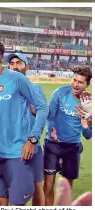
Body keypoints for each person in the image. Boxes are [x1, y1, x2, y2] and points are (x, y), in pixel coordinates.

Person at [0, 35, 49, 206]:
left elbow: (42, 107)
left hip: (19, 154)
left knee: (17, 203)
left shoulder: (16, 79)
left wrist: (33, 139)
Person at [43, 66, 92, 206]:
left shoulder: (90, 104)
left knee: (67, 188)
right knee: (48, 186)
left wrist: (85, 122)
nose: (76, 84)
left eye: (80, 82)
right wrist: (52, 130)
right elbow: (50, 115)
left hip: (72, 148)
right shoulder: (60, 93)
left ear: (87, 84)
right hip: (52, 144)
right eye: (74, 80)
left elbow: (88, 135)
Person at [7, 53, 46, 206]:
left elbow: (42, 113)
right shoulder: (5, 91)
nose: (15, 66)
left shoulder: (36, 88)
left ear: (27, 67)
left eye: (19, 63)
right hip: (13, 149)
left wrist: (33, 139)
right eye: (12, 63)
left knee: (38, 187)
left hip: (34, 147)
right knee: (16, 192)